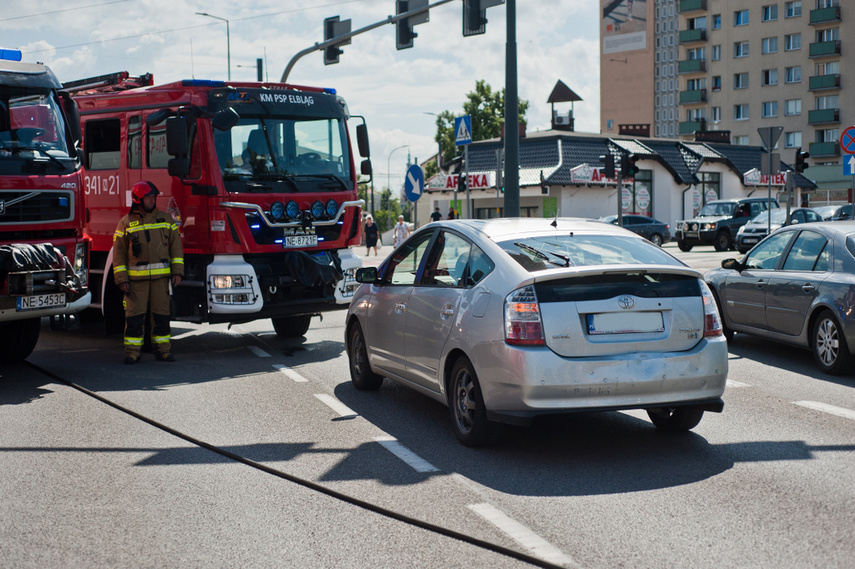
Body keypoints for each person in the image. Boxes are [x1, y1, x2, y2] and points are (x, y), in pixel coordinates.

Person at [112, 181, 184, 364]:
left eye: (154, 197)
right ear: (138, 200)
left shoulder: (166, 219)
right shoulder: (126, 223)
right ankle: (132, 353)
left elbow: (176, 248)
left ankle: (163, 351)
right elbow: (118, 253)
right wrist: (121, 279)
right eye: (149, 197)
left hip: (161, 281)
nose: (153, 200)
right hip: (136, 283)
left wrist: (178, 272)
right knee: (134, 318)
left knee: (162, 317)